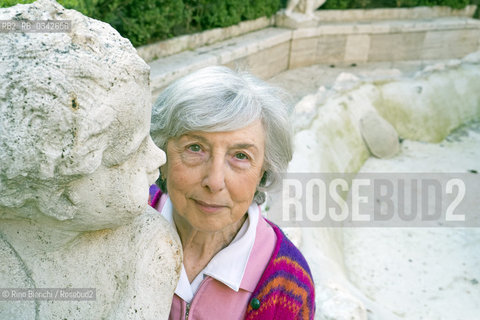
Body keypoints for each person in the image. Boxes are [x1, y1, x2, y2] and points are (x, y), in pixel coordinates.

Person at [149, 66, 315, 319]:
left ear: (263, 170)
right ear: (162, 154)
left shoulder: (290, 285)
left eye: (240, 156)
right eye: (195, 148)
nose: (214, 182)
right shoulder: (118, 221)